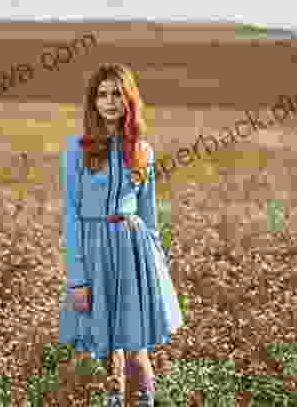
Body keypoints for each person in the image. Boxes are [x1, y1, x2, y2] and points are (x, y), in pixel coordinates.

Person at [58, 63, 183, 406]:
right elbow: (71, 214)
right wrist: (77, 279)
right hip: (94, 255)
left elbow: (149, 217)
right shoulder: (76, 149)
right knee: (105, 352)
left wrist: (158, 272)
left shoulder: (143, 151)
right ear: (92, 102)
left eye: (117, 93)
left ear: (128, 99)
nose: (109, 101)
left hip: (133, 252)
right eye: (102, 94)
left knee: (137, 353)